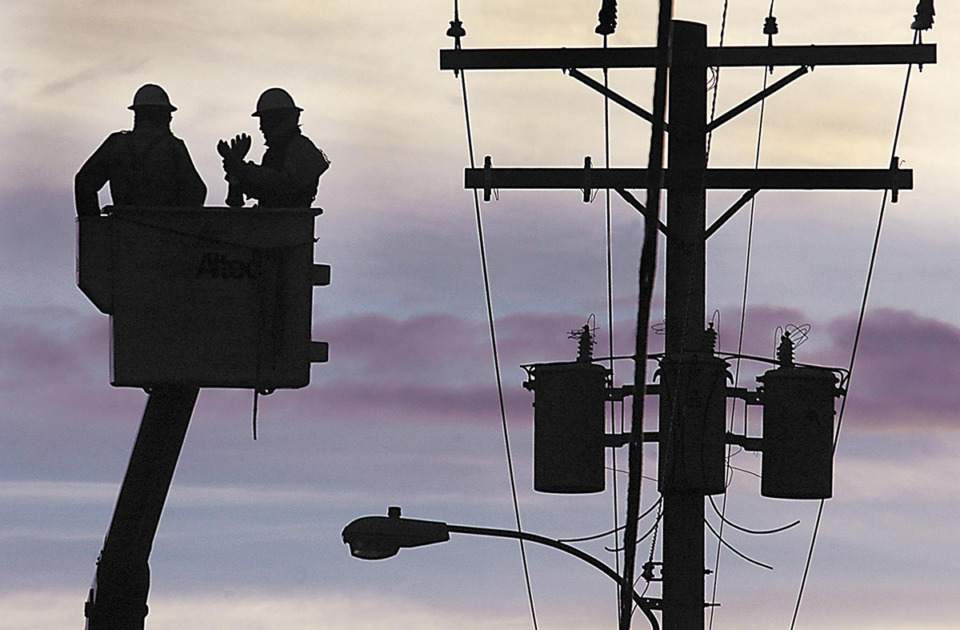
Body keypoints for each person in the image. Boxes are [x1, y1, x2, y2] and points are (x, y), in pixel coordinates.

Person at [75, 84, 207, 216]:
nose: (170, 119)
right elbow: (197, 191)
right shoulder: (173, 147)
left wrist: (94, 227)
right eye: (167, 114)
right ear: (160, 114)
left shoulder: (116, 145)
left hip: (121, 231)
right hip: (163, 232)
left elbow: (84, 182)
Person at [219, 87, 329, 208]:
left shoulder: (301, 149)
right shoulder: (274, 154)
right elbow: (236, 201)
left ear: (281, 120)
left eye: (266, 121)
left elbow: (282, 186)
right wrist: (235, 171)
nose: (261, 128)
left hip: (289, 224)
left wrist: (240, 168)